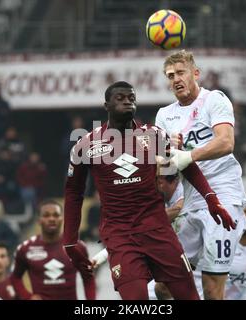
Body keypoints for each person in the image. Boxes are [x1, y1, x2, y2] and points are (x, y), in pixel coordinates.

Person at [64, 81, 234, 300]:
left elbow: (186, 165)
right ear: (106, 105)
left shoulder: (153, 135)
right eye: (121, 97)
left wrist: (211, 199)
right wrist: (69, 240)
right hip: (120, 235)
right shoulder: (87, 145)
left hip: (157, 230)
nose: (127, 101)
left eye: (132, 98)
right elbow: (73, 192)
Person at [155, 50, 246, 300]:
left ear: (196, 73)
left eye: (181, 72)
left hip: (223, 198)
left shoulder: (214, 100)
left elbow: (226, 143)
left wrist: (188, 155)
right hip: (191, 201)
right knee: (163, 286)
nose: (175, 79)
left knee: (211, 288)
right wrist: (166, 153)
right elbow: (165, 169)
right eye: (170, 75)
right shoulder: (164, 115)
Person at [11, 199, 96, 300]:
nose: (51, 219)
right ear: (39, 220)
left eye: (56, 215)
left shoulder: (77, 247)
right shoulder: (26, 248)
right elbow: (15, 278)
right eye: (46, 215)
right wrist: (28, 297)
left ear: (62, 219)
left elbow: (88, 278)